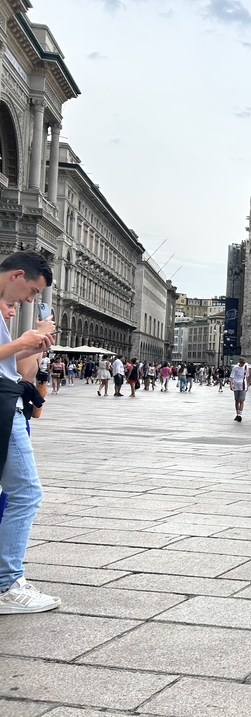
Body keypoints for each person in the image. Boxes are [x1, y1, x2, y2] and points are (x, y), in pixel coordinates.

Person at [0, 251, 60, 614]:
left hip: (8, 399)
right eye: (32, 290)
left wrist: (32, 347)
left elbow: (20, 370)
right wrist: (23, 342)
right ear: (17, 274)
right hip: (1, 403)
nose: (29, 300)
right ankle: (7, 583)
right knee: (26, 492)